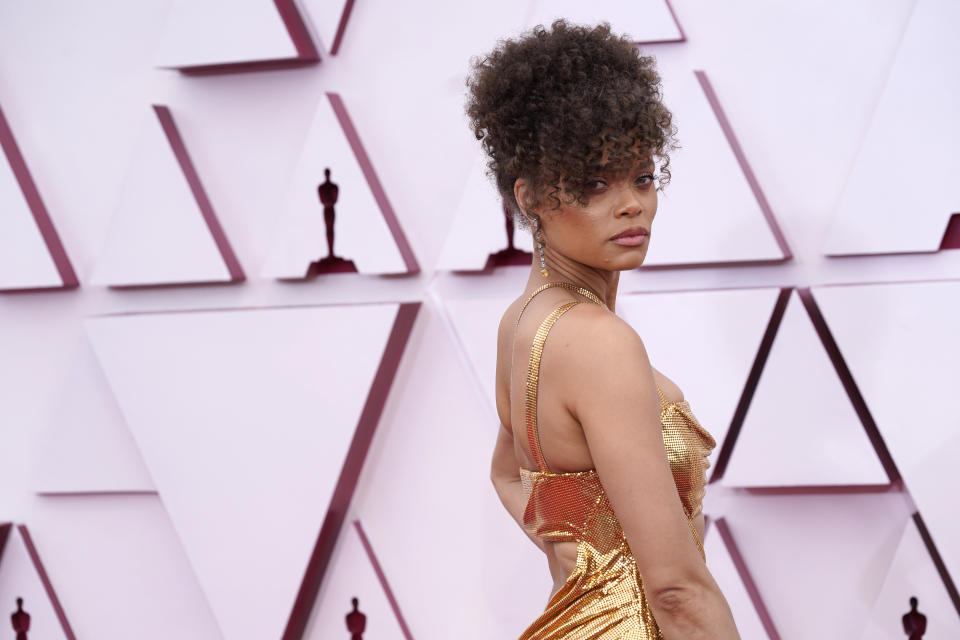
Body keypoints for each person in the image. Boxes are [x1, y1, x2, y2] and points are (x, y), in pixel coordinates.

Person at [466, 19, 741, 639]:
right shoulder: (598, 340)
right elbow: (674, 590)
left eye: (642, 177)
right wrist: (619, 587)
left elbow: (509, 475)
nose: (631, 204)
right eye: (595, 184)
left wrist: (587, 563)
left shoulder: (524, 322)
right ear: (531, 195)